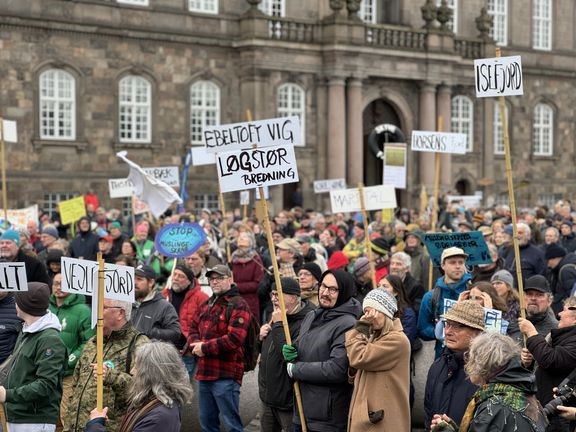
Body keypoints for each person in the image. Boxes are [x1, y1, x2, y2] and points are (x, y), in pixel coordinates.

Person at [282, 269, 362, 432]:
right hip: (302, 407)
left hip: (326, 417)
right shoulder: (312, 315)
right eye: (323, 286)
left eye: (333, 289)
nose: (325, 293)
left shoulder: (348, 324)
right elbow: (305, 347)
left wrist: (297, 369)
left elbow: (337, 369)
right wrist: (293, 350)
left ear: (344, 292)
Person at [430, 332, 547, 432]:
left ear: (484, 362)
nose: (468, 362)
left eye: (470, 356)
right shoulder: (521, 392)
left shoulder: (494, 406)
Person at [65, 299, 149, 432]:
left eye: (103, 307)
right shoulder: (93, 341)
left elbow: (145, 389)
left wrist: (112, 376)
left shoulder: (140, 345)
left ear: (120, 313)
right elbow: (76, 385)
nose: (96, 312)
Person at [187, 264, 252, 432]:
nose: (214, 282)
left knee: (232, 425)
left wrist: (204, 348)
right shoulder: (206, 304)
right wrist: (196, 345)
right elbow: (193, 327)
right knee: (207, 424)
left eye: (219, 278)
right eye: (212, 279)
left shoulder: (239, 304)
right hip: (204, 374)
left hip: (226, 375)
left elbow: (234, 339)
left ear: (230, 279)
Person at [0, 282, 67, 432]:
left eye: (18, 300)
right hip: (18, 414)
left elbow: (46, 385)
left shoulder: (49, 339)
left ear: (25, 306)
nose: (14, 304)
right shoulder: (27, 331)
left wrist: (7, 394)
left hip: (34, 419)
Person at [85, 341, 193, 432]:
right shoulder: (153, 403)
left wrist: (95, 425)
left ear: (151, 374)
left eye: (137, 367)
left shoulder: (158, 417)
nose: (132, 371)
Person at [346, 289, 411, 432]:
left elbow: (358, 357)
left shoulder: (397, 340)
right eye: (366, 312)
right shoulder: (376, 337)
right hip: (371, 420)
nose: (368, 317)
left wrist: (361, 327)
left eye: (373, 312)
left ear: (385, 312)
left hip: (381, 423)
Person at [258, 277, 315, 432]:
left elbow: (288, 356)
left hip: (288, 400)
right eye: (272, 294)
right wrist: (261, 338)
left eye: (278, 294)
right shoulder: (277, 314)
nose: (273, 299)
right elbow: (268, 351)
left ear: (294, 297)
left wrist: (277, 326)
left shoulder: (307, 320)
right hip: (268, 397)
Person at [424, 300, 485, 431]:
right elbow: (428, 416)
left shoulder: (486, 373)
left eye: (458, 326)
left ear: (477, 332)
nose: (448, 332)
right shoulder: (437, 367)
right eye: (447, 324)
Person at [519, 295, 576, 432]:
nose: (559, 314)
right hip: (547, 412)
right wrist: (530, 361)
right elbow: (548, 366)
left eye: (564, 310)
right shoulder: (561, 337)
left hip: (562, 420)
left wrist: (531, 333)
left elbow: (552, 360)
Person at [48, 272, 95, 431]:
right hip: (47, 373)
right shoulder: (45, 307)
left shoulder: (83, 311)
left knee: (65, 413)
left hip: (68, 373)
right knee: (49, 415)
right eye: (55, 283)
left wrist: (69, 359)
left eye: (63, 283)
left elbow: (89, 342)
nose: (58, 287)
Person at [418, 247, 472, 358]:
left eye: (461, 262)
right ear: (443, 265)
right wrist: (439, 331)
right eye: (452, 262)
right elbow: (422, 330)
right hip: (443, 358)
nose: (457, 266)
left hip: (471, 357)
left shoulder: (474, 293)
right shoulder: (430, 297)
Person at [161, 263, 208, 375]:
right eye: (174, 274)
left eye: (181, 276)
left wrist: (194, 345)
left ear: (189, 281)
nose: (176, 278)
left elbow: (205, 325)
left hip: (186, 352)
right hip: (165, 350)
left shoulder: (201, 298)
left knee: (183, 388)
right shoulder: (164, 295)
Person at [131, 264, 182, 345]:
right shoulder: (127, 302)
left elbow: (175, 333)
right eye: (133, 278)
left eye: (139, 279)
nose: (134, 283)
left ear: (151, 282)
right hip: (126, 355)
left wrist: (150, 332)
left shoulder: (164, 307)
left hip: (148, 355)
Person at [231, 231, 264, 322]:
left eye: (244, 237)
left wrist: (237, 286)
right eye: (240, 237)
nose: (241, 239)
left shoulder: (256, 259)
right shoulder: (232, 258)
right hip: (234, 299)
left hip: (250, 301)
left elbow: (258, 283)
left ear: (251, 242)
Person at [544, 243, 576, 315]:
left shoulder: (565, 271)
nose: (548, 264)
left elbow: (572, 298)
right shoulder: (568, 265)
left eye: (549, 260)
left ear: (556, 258)